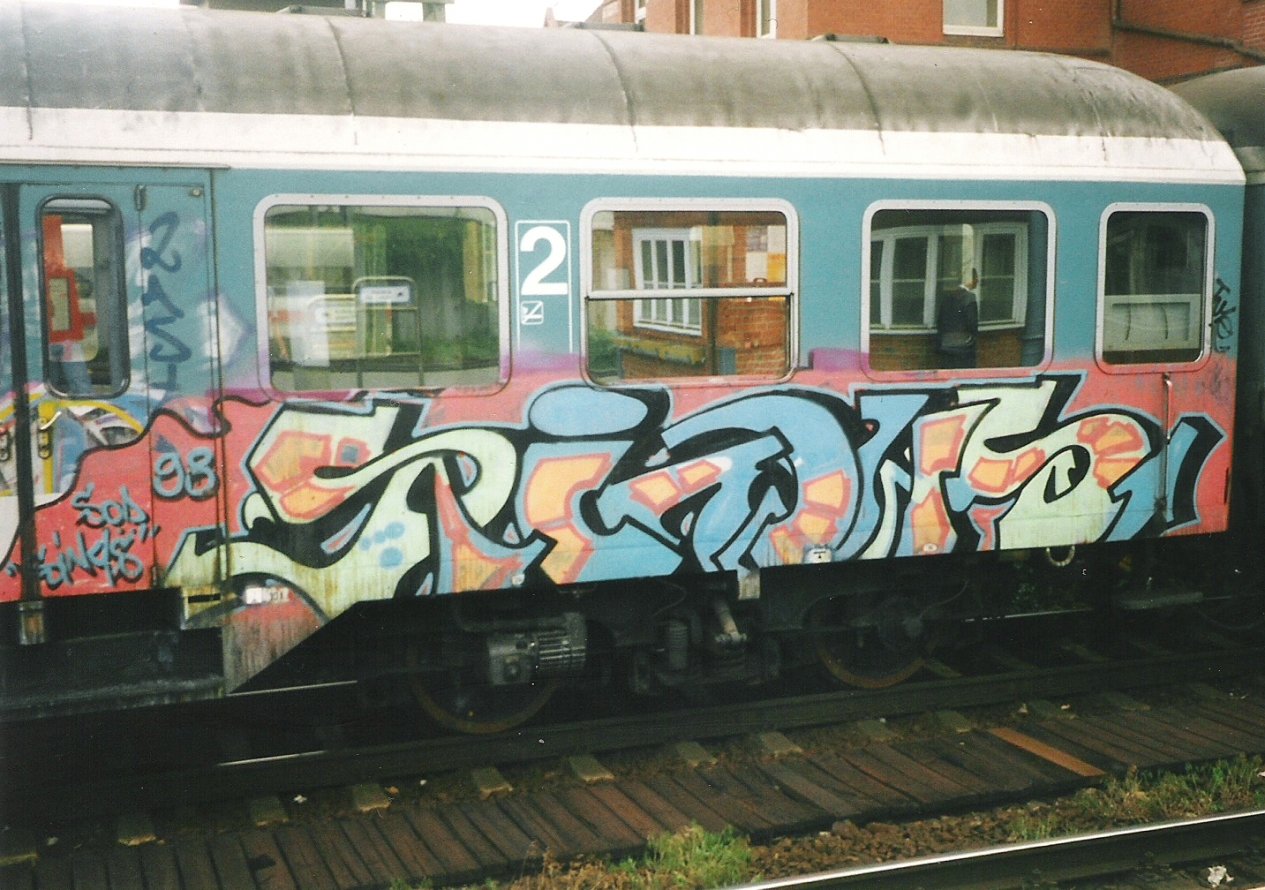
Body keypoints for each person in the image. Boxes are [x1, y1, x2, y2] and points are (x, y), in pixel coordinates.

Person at [936, 268, 979, 369]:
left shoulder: (948, 296)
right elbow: (972, 322)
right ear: (970, 280)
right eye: (976, 278)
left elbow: (940, 321)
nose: (978, 281)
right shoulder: (969, 297)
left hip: (946, 343)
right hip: (963, 345)